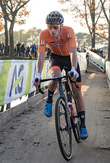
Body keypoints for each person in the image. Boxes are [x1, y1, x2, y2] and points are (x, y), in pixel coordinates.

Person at [33, 11, 88, 140]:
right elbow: (41, 55)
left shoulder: (68, 31)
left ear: (61, 25)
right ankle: (50, 99)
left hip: (69, 59)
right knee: (55, 76)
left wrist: (74, 68)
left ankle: (83, 125)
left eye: (55, 27)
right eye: (49, 27)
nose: (52, 30)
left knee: (77, 92)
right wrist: (38, 74)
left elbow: (73, 51)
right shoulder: (43, 34)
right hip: (56, 58)